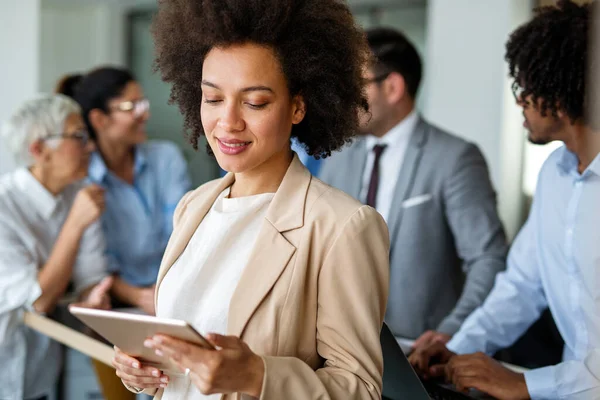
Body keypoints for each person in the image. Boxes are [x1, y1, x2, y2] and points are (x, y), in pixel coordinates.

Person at [111, 0, 390, 399]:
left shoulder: (341, 225)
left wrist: (257, 377)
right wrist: (143, 368)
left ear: (297, 106)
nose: (228, 122)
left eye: (255, 102)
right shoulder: (195, 206)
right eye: (212, 98)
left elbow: (360, 389)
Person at [408, 1, 600, 399]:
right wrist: (458, 345)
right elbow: (523, 284)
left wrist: (525, 383)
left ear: (561, 89)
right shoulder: (555, 174)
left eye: (525, 87)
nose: (519, 101)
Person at [319, 27, 508, 346]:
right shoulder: (337, 160)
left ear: (392, 87)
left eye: (353, 85)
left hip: (419, 357)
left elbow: (488, 259)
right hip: (340, 348)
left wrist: (450, 333)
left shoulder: (455, 158)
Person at [0, 94, 112, 400]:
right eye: (78, 136)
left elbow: (91, 275)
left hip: (40, 372)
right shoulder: (4, 205)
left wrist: (93, 297)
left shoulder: (79, 194)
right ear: (38, 150)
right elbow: (39, 300)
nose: (90, 146)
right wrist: (75, 224)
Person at [58, 67, 192, 315]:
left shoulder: (166, 158)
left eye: (143, 103)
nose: (145, 114)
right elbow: (93, 262)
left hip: (175, 290)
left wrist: (166, 291)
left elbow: (183, 234)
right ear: (99, 119)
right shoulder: (81, 181)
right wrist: (140, 297)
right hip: (115, 304)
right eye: (132, 107)